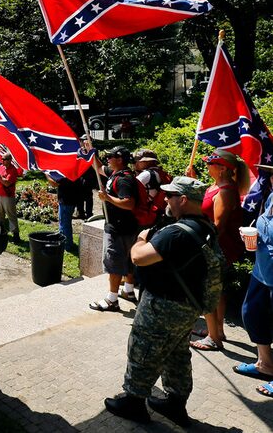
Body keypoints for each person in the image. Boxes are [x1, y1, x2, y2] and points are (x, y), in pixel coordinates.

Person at [104, 176, 212, 426]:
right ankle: (176, 403)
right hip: (189, 306)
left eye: (171, 196)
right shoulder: (206, 226)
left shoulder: (176, 233)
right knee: (177, 353)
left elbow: (139, 258)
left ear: (183, 200)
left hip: (163, 306)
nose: (166, 199)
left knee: (143, 350)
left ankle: (134, 402)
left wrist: (141, 239)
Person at [186, 148, 249, 350]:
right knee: (217, 290)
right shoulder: (218, 186)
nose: (206, 165)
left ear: (221, 168)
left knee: (208, 291)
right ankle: (217, 330)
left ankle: (214, 338)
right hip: (219, 247)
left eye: (210, 163)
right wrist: (194, 181)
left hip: (218, 248)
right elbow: (206, 206)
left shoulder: (226, 191)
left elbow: (218, 226)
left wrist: (201, 248)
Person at [234, 164, 273, 398]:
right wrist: (253, 236)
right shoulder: (270, 198)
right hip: (262, 270)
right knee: (252, 314)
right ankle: (265, 364)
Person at [90, 146, 139, 311]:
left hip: (119, 228)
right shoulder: (115, 174)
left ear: (119, 160)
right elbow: (97, 167)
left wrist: (107, 198)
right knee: (128, 260)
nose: (107, 159)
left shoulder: (124, 179)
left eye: (110, 156)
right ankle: (129, 291)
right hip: (126, 227)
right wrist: (91, 152)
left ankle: (112, 300)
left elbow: (129, 203)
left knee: (114, 263)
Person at [46, 173, 81, 252]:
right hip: (71, 199)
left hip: (66, 201)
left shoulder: (65, 173)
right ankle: (67, 242)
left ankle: (67, 245)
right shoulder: (73, 172)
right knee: (66, 223)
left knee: (64, 224)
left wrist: (46, 174)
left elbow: (54, 183)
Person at [0, 153, 20, 244]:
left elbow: (7, 183)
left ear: (9, 160)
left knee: (11, 215)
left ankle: (15, 235)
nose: (2, 161)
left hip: (8, 197)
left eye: (4, 159)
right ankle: (2, 232)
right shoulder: (0, 167)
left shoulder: (13, 170)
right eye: (2, 159)